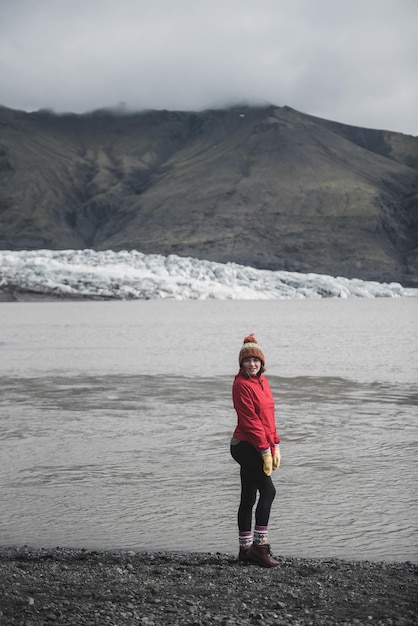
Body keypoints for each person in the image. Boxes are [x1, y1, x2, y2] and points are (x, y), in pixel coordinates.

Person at [230, 334, 281, 567]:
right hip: (244, 445)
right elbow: (250, 421)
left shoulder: (262, 382)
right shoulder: (241, 385)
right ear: (241, 364)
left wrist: (275, 445)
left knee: (249, 497)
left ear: (262, 364)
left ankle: (245, 549)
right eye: (247, 360)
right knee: (268, 491)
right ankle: (260, 548)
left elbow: (268, 418)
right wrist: (264, 451)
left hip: (258, 445)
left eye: (256, 360)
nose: (252, 364)